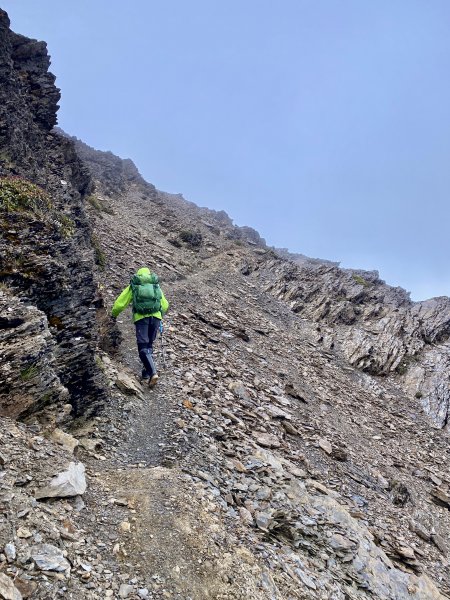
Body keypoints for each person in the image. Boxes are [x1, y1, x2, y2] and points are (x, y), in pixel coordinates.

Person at [111, 267, 169, 387]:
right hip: (156, 318)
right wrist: (159, 315)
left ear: (138, 274)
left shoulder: (135, 284)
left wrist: (113, 315)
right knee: (149, 345)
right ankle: (146, 373)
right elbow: (165, 305)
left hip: (141, 318)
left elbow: (121, 303)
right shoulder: (155, 285)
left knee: (142, 346)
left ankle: (153, 372)